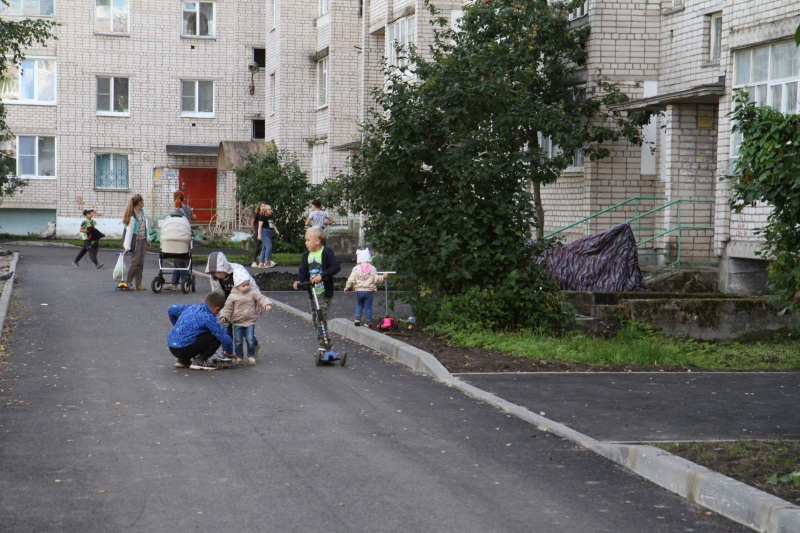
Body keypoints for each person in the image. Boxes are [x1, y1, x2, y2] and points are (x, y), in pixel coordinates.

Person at [293, 227, 341, 355]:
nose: (306, 242)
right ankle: (327, 343)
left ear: (317, 241)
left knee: (321, 318)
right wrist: (298, 281)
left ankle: (323, 345)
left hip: (324, 293)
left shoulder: (326, 252)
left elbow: (336, 266)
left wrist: (322, 275)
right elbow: (303, 271)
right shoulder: (306, 255)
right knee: (315, 319)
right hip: (313, 292)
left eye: (308, 240)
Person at [206, 251, 264, 353]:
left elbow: (252, 285)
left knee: (242, 325)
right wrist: (220, 309)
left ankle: (253, 344)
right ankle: (227, 352)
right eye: (214, 272)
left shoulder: (238, 270)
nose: (217, 275)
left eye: (219, 271)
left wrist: (257, 301)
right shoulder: (214, 277)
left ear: (224, 267)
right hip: (227, 302)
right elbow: (216, 293)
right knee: (226, 324)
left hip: (243, 300)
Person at [167, 292, 234, 371]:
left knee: (192, 334)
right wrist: (229, 352)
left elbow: (170, 309)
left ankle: (183, 360)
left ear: (204, 300)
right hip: (185, 348)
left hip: (172, 347)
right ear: (216, 309)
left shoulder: (190, 307)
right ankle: (200, 360)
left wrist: (177, 326)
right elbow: (225, 339)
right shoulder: (208, 317)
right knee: (217, 334)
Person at [219, 270, 273, 366]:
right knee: (238, 340)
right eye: (243, 285)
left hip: (250, 321)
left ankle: (251, 356)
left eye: (248, 285)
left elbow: (261, 298)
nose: (246, 287)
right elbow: (227, 308)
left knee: (250, 339)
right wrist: (223, 316)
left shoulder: (252, 293)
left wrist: (267, 304)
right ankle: (239, 356)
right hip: (237, 322)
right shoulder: (232, 296)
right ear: (237, 286)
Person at [344, 248, 384, 328]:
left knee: (359, 304)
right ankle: (368, 322)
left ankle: (357, 318)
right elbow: (376, 279)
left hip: (359, 290)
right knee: (368, 307)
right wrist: (383, 276)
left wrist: (347, 287)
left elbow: (351, 279)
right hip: (369, 290)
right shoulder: (372, 268)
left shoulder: (356, 269)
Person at [167, 191, 196, 291]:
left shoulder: (175, 212)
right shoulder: (187, 208)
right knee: (178, 259)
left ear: (174, 199)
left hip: (178, 236)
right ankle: (174, 283)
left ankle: (185, 279)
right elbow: (194, 218)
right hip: (186, 237)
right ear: (183, 199)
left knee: (178, 259)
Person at [122, 194, 151, 291]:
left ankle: (138, 284)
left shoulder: (142, 212)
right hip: (136, 241)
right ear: (139, 203)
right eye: (143, 201)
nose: (144, 203)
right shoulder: (132, 216)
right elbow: (129, 232)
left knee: (141, 262)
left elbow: (144, 227)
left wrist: (147, 240)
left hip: (142, 240)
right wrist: (127, 246)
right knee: (135, 263)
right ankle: (128, 283)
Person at [257, 204, 280, 268]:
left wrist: (276, 230)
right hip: (264, 233)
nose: (270, 211)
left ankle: (261, 263)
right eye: (269, 210)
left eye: (271, 209)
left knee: (264, 248)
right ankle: (267, 261)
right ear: (265, 211)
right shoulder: (262, 217)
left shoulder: (270, 216)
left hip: (269, 233)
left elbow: (273, 224)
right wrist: (259, 235)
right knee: (269, 246)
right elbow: (259, 227)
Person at [250, 201, 264, 268]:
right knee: (257, 246)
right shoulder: (257, 214)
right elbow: (252, 222)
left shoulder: (265, 214)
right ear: (259, 207)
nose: (263, 207)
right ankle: (254, 261)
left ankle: (263, 261)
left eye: (264, 206)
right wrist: (253, 231)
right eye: (262, 206)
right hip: (256, 231)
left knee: (265, 246)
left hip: (263, 232)